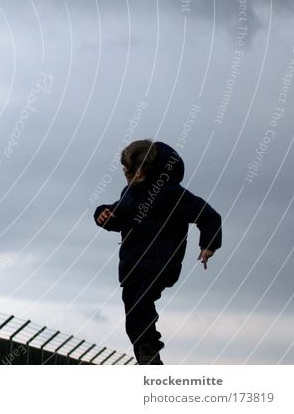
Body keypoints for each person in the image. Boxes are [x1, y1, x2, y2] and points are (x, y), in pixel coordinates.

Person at [93, 140, 222, 364]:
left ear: (143, 171)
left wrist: (208, 245)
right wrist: (103, 214)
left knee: (142, 303)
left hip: (161, 262)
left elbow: (208, 215)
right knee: (133, 315)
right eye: (123, 168)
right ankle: (147, 355)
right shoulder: (130, 192)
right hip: (132, 265)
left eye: (129, 169)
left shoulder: (172, 194)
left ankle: (149, 346)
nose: (124, 172)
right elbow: (120, 217)